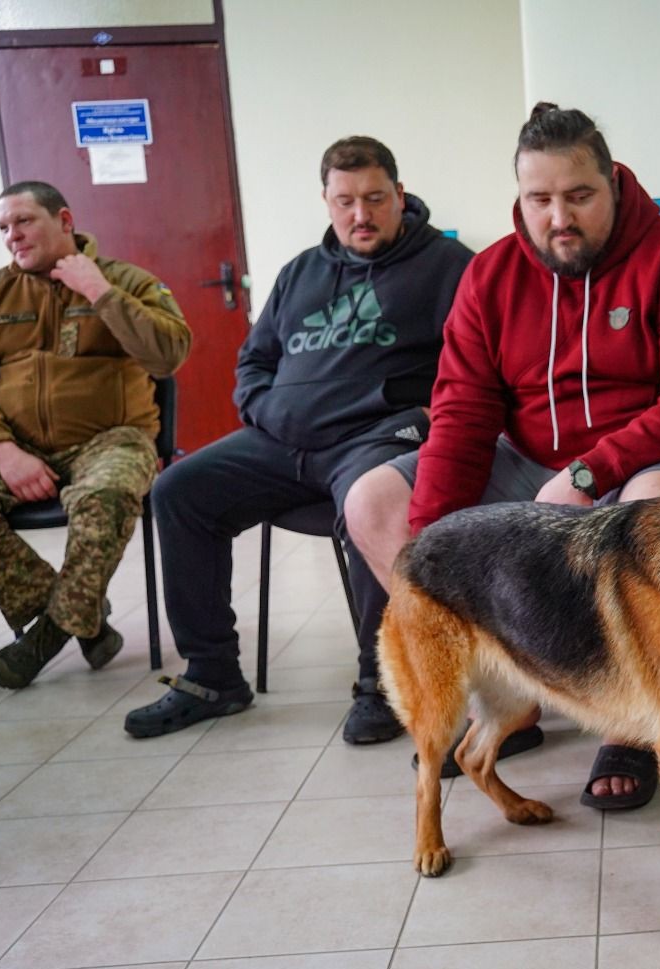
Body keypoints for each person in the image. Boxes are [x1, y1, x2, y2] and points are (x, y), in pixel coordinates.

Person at [344, 103, 660, 810]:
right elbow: (462, 412)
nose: (559, 217)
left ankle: (631, 723)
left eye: (579, 195)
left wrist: (590, 473)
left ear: (614, 186)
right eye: (540, 200)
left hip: (638, 460)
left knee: (653, 504)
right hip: (528, 458)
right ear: (520, 199)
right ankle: (512, 693)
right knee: (373, 502)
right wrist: (436, 552)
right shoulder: (491, 275)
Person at [123, 137, 472, 743]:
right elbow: (254, 362)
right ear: (326, 201)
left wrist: (426, 413)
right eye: (345, 201)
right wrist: (268, 410)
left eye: (374, 198)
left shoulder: (450, 266)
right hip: (282, 441)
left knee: (372, 502)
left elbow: (479, 363)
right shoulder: (300, 272)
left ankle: (384, 685)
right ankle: (211, 676)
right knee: (179, 491)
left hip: (377, 435)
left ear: (399, 194)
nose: (360, 215)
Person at [0, 181, 189, 689]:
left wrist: (100, 293)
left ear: (65, 221)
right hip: (15, 445)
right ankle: (82, 614)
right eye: (3, 227)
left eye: (24, 221)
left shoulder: (126, 281)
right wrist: (2, 450)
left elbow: (168, 356)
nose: (12, 235)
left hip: (112, 439)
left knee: (107, 494)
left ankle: (45, 638)